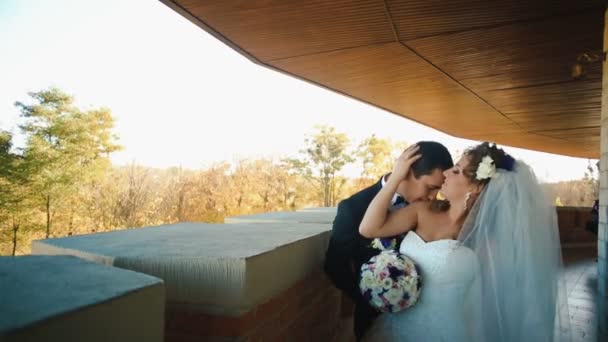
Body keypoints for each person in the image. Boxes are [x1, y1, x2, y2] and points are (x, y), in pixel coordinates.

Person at [360, 142, 570, 342]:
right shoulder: (421, 211)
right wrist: (396, 176)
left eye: (457, 170)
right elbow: (369, 228)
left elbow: (497, 299)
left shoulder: (488, 239)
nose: (446, 173)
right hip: (402, 326)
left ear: (476, 188)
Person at [324, 141, 453, 341]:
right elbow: (334, 266)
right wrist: (374, 297)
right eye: (429, 187)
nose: (432, 196)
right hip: (373, 320)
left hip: (424, 321)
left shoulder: (433, 210)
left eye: (437, 190)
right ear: (406, 172)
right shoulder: (354, 208)